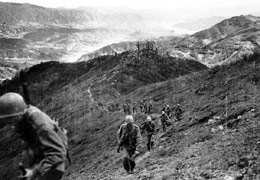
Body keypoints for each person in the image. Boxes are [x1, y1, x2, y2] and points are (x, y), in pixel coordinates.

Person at [0, 92, 68, 180]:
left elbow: (58, 153)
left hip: (54, 164)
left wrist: (34, 172)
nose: (8, 123)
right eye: (5, 120)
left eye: (10, 119)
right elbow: (28, 145)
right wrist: (27, 167)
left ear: (18, 114)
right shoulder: (24, 118)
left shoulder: (40, 124)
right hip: (43, 160)